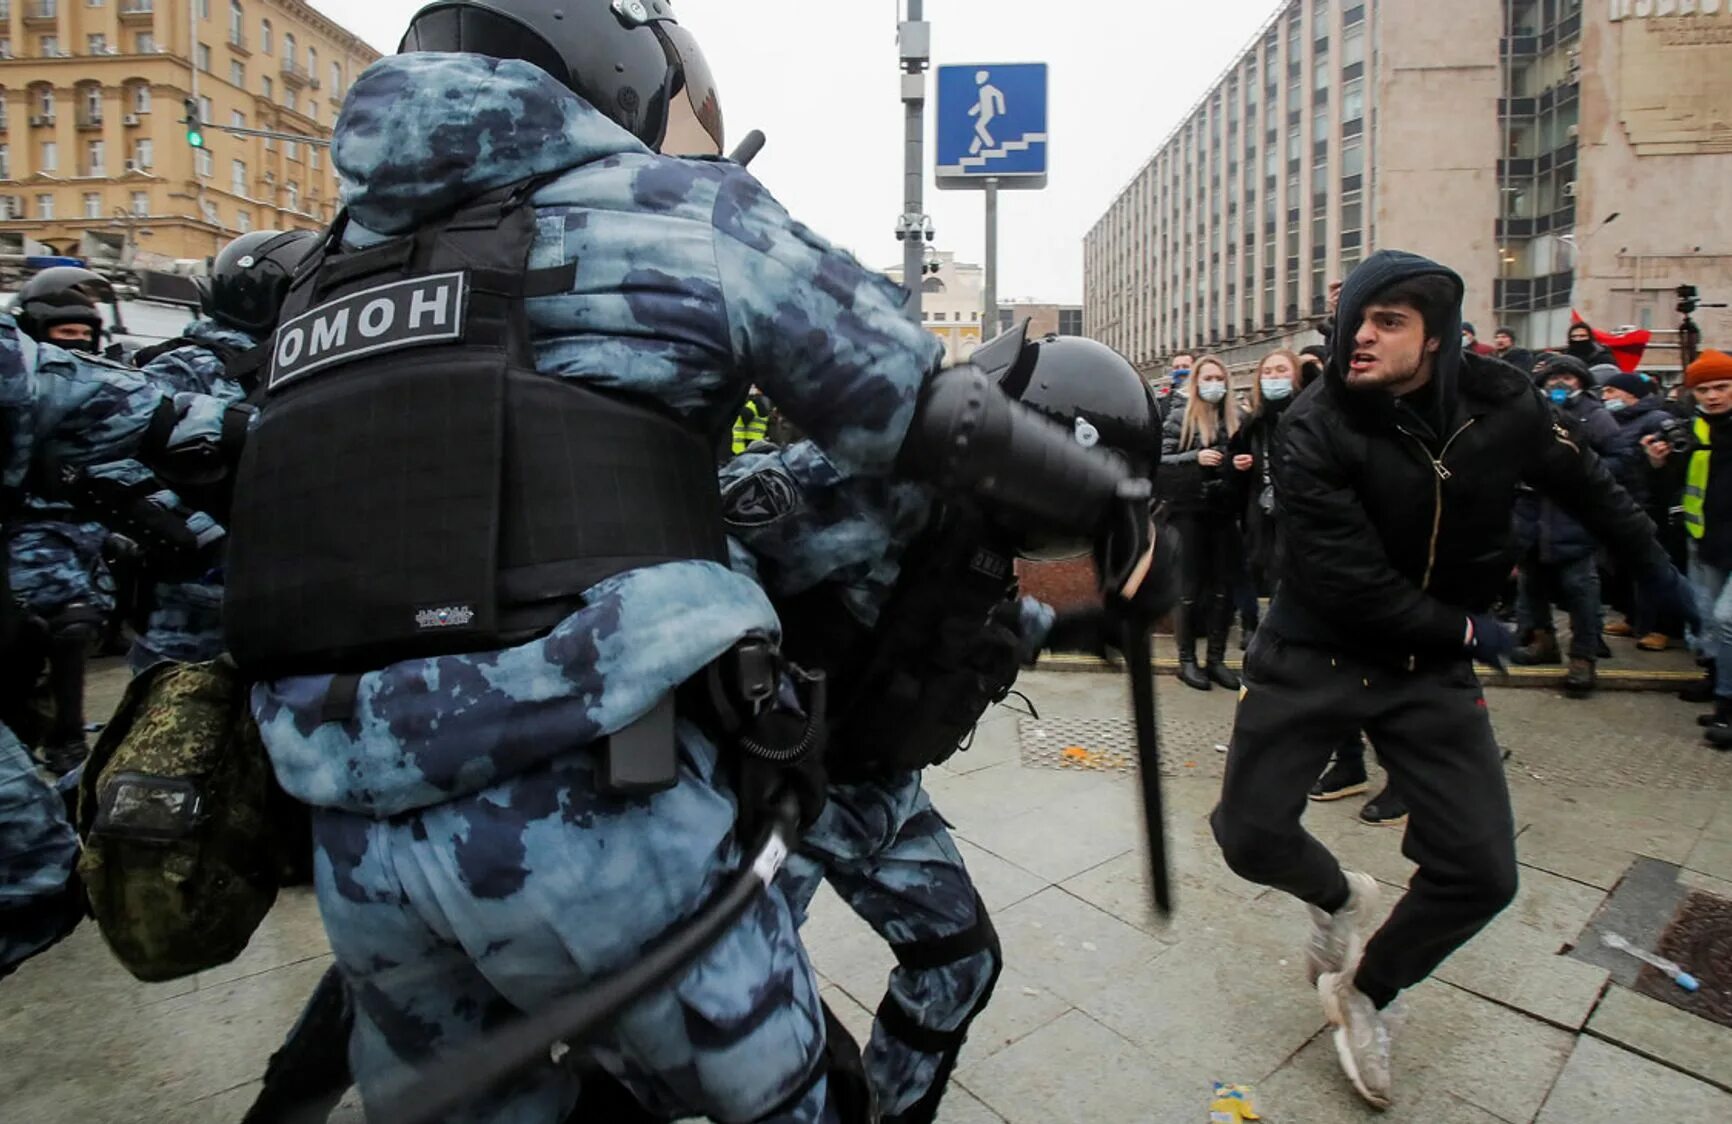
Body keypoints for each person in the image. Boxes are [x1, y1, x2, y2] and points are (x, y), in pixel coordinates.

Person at [218, 6, 1164, 1122]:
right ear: (621, 70)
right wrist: (1107, 500)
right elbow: (909, 406)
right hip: (600, 805)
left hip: (352, 823)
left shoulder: (325, 274)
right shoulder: (681, 211)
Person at [1210, 250, 1691, 1109]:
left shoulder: (1501, 407)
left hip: (1428, 669)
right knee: (1248, 835)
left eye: (1387, 321)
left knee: (1483, 873)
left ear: (1435, 338)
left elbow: (1590, 487)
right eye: (1355, 317)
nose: (1360, 335)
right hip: (1316, 648)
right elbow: (1346, 578)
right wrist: (1472, 630)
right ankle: (1338, 895)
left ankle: (1367, 992)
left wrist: (1659, 575)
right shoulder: (1316, 426)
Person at [722, 327, 1175, 1123]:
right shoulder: (870, 487)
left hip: (874, 791)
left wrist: (1080, 626)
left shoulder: (982, 527)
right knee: (748, 1021)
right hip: (769, 796)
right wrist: (752, 691)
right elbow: (699, 536)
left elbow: (958, 614)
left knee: (957, 968)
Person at [115, 230, 319, 675]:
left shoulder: (299, 360)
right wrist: (202, 541)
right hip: (192, 610)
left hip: (279, 591)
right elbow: (111, 464)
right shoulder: (186, 366)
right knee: (175, 723)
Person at [1509, 353, 1623, 697]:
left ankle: (1583, 657)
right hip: (1531, 517)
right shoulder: (1529, 414)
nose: (1559, 385)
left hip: (1573, 518)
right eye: (1552, 379)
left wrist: (1580, 471)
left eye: (1568, 378)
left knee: (1581, 589)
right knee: (1532, 587)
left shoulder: (1596, 416)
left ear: (1581, 382)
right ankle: (1541, 641)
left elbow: (1620, 457)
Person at [1648, 349, 1732, 748]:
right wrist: (1660, 464)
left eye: (1722, 387)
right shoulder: (1693, 431)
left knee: (1727, 619)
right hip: (1706, 540)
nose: (1713, 396)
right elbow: (1679, 492)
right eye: (1704, 389)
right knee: (1709, 621)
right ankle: (1717, 684)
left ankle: (1729, 706)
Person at [1162, 355, 1246, 691]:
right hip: (1188, 511)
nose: (1214, 384)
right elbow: (1161, 460)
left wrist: (1241, 464)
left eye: (1218, 378)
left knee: (1223, 589)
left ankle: (1215, 659)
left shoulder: (1236, 417)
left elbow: (1246, 459)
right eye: (1207, 378)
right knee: (1189, 588)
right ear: (1196, 383)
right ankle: (1187, 660)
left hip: (1223, 511)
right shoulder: (1181, 416)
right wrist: (1194, 459)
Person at [1601, 372, 1680, 651]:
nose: (1606, 397)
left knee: (1652, 567)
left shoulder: (1656, 420)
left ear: (1630, 394)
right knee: (1625, 568)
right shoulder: (1614, 421)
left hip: (1649, 503)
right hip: (1622, 501)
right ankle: (1634, 618)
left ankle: (1662, 627)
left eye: (1611, 391)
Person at [730, 385, 772, 456]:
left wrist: (739, 452)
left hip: (746, 447)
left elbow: (738, 429)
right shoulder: (766, 409)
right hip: (760, 446)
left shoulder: (749, 407)